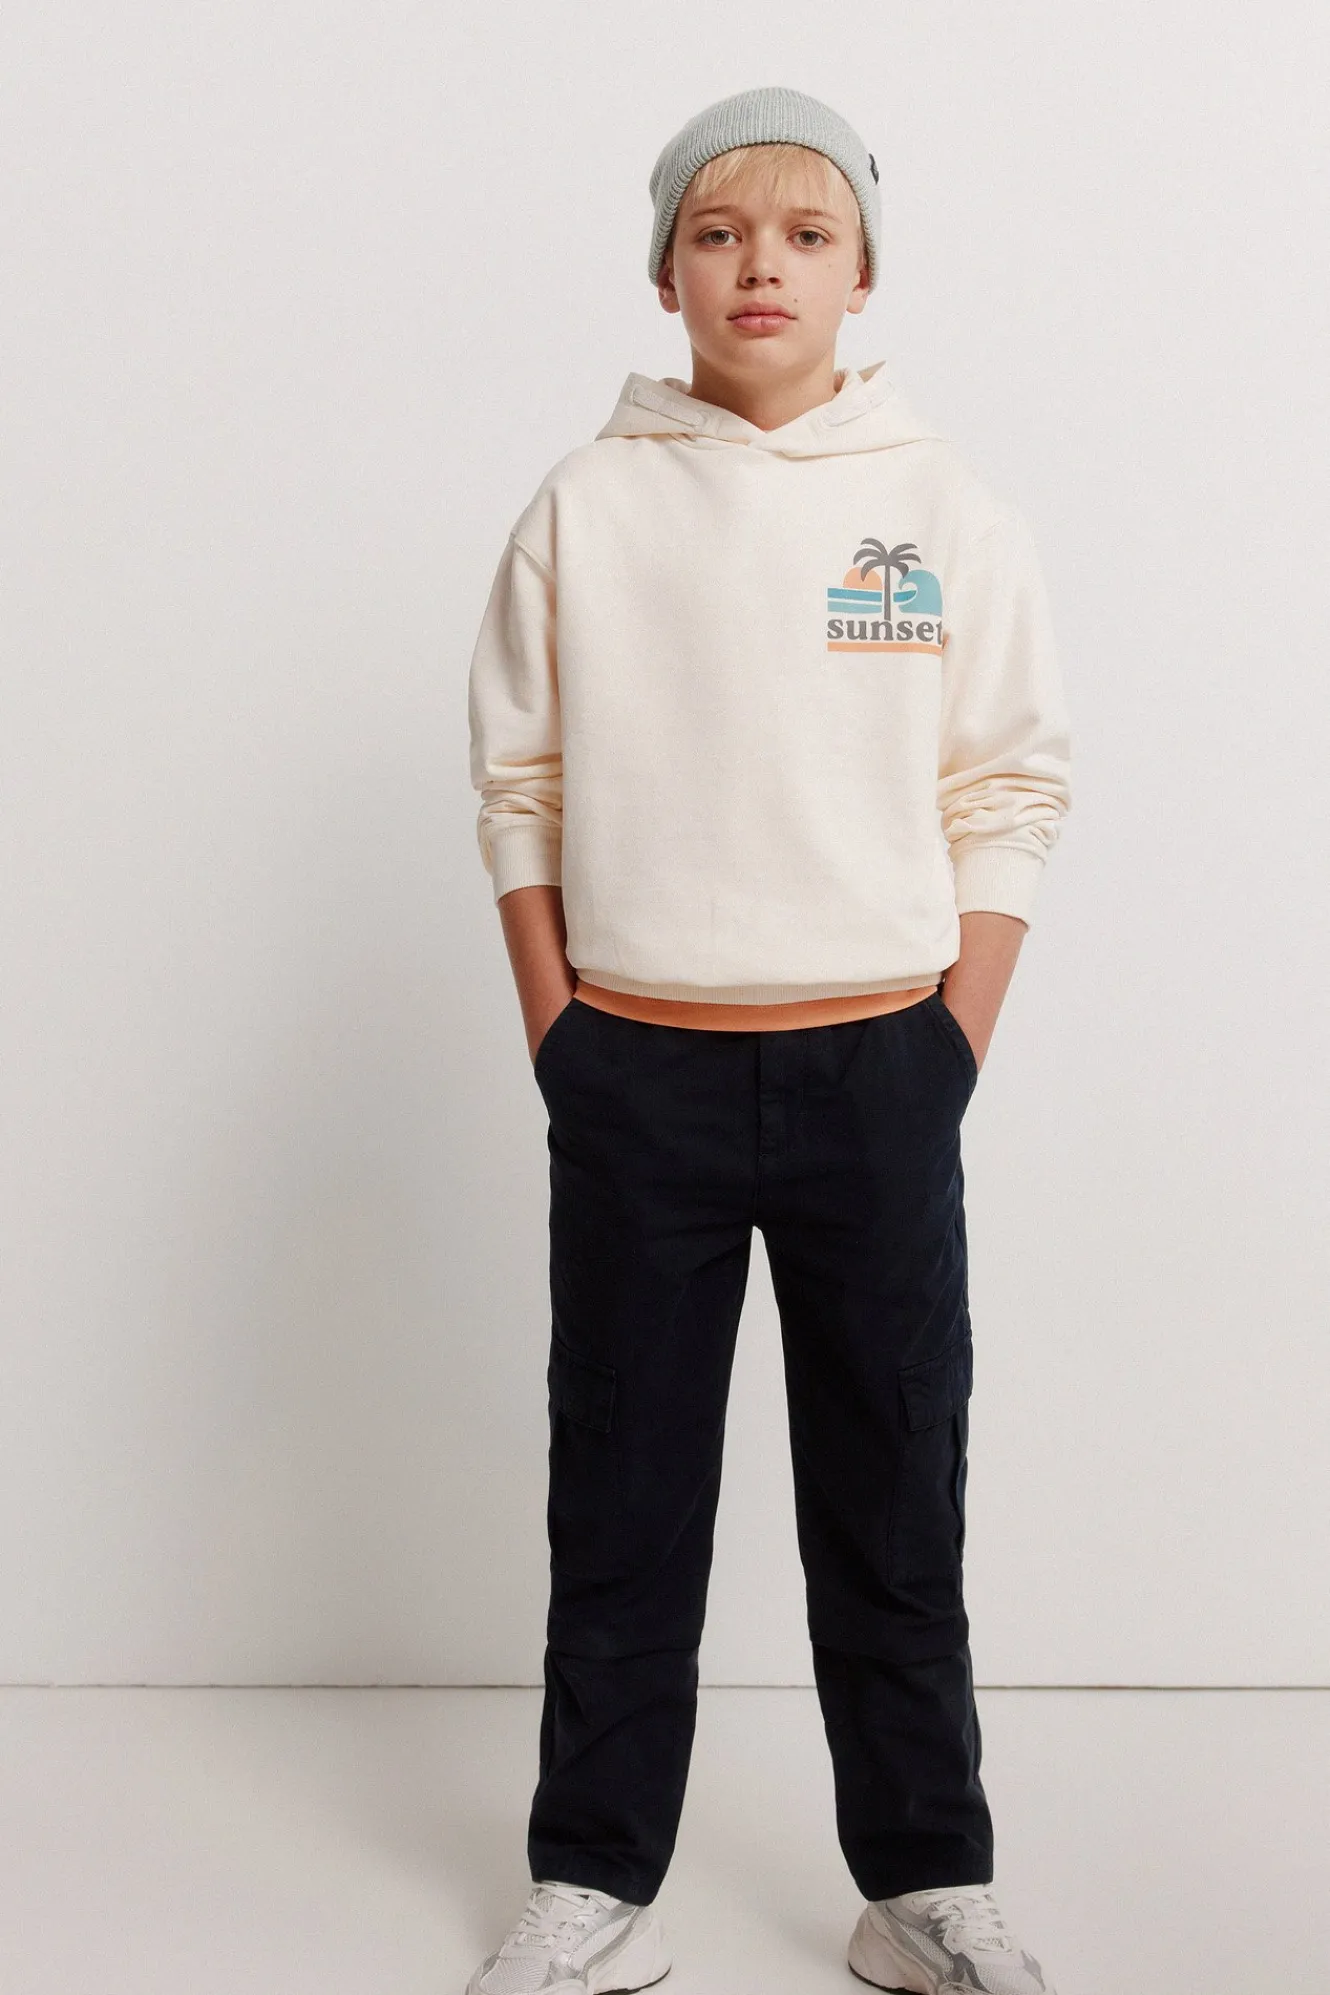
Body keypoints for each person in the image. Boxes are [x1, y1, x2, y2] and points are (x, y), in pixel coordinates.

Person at [463, 84, 1071, 1995]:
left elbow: (1007, 785)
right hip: (634, 1069)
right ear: (664, 272)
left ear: (860, 271)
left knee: (892, 1488)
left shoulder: (939, 506)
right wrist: (563, 1032)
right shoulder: (586, 505)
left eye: (806, 235)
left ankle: (922, 1883)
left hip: (877, 1066)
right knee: (621, 1488)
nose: (761, 268)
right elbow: (520, 785)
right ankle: (592, 1882)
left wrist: (949, 1042)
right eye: (718, 233)